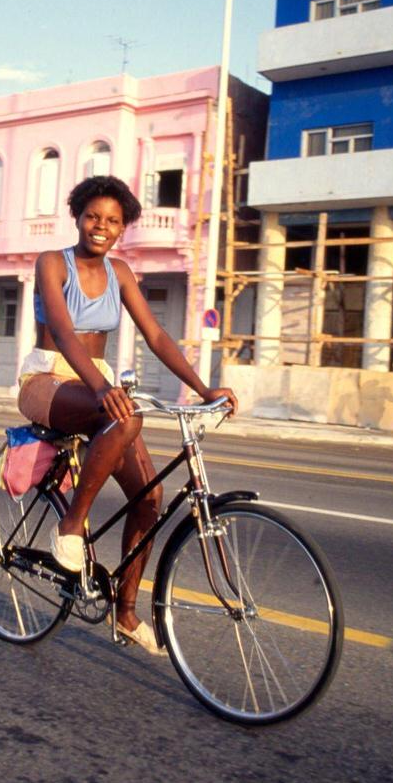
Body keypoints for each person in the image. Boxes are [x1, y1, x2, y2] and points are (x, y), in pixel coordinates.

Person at [18, 175, 238, 656]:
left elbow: (156, 335)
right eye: (93, 216)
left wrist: (203, 388)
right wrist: (102, 387)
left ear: (123, 229)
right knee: (127, 413)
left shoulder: (119, 272)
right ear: (77, 216)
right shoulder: (52, 263)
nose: (102, 227)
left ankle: (126, 612)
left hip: (93, 383)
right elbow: (62, 329)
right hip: (47, 381)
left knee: (151, 499)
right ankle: (70, 528)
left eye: (113, 221)